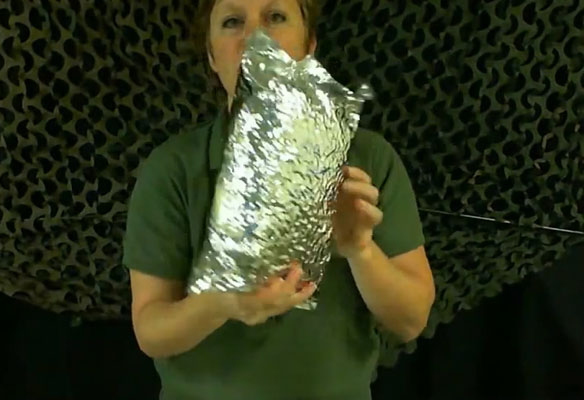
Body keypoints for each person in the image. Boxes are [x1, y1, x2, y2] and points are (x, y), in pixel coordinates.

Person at [123, 0, 435, 399]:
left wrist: (359, 248)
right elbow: (151, 331)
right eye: (233, 22)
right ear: (212, 56)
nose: (255, 39)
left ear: (309, 47)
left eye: (275, 18)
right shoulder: (173, 169)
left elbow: (411, 320)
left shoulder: (368, 159)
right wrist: (224, 304)